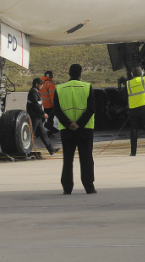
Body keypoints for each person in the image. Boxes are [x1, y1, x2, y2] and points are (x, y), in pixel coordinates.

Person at [54, 64, 96, 195]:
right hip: (85, 129)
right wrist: (80, 123)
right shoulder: (87, 87)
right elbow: (91, 109)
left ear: (69, 73)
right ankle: (89, 186)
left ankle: (67, 188)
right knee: (86, 158)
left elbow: (57, 110)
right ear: (80, 74)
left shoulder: (59, 89)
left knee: (68, 159)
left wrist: (68, 124)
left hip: (66, 130)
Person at [27, 78, 56, 155]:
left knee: (43, 133)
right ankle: (26, 149)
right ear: (36, 84)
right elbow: (35, 105)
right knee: (31, 133)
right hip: (35, 116)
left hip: (38, 117)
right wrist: (43, 113)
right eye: (41, 84)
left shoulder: (36, 92)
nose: (42, 86)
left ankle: (51, 150)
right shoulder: (33, 92)